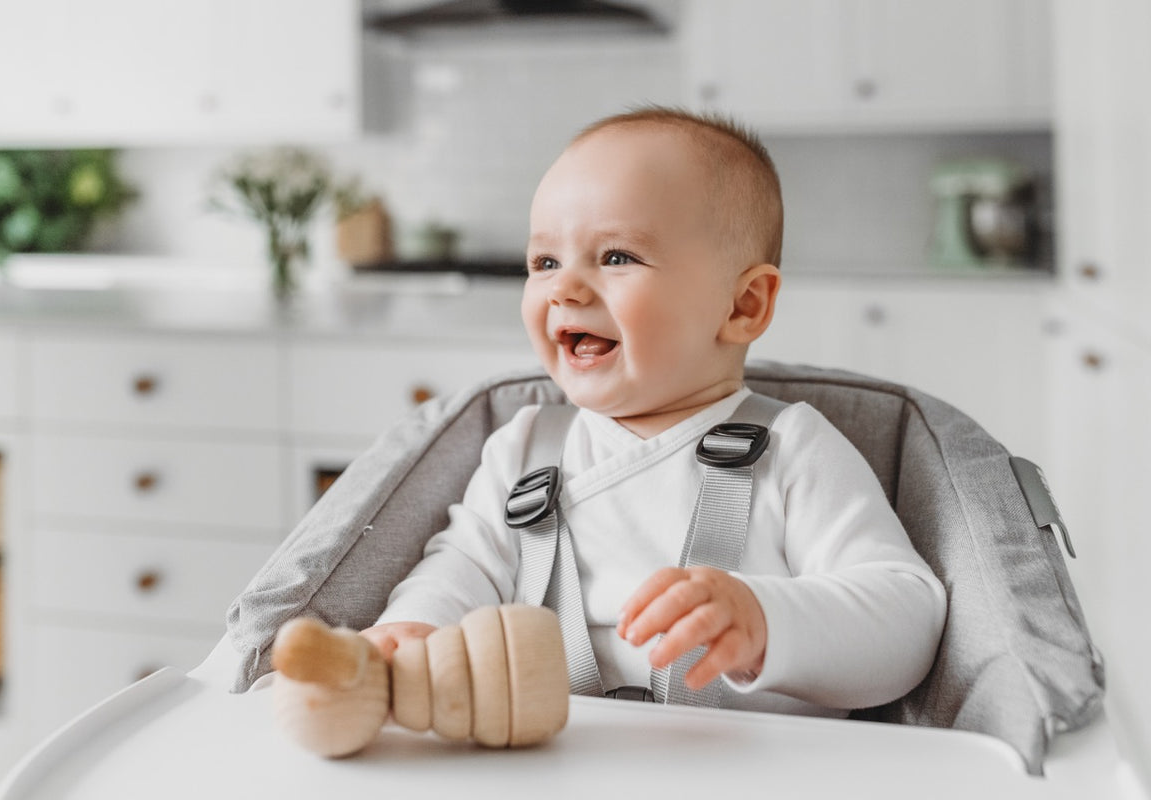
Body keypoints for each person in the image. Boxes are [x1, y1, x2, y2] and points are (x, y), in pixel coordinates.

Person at [363, 107, 946, 716]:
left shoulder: (793, 447)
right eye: (544, 262)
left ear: (743, 305)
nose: (565, 287)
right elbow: (463, 567)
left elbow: (906, 619)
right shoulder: (527, 447)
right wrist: (414, 629)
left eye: (616, 257)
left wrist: (765, 622)